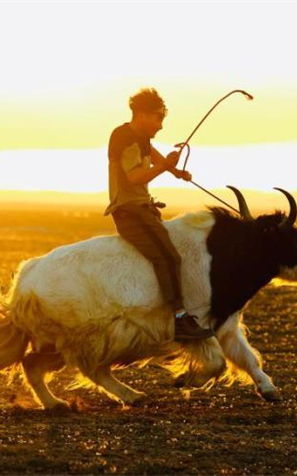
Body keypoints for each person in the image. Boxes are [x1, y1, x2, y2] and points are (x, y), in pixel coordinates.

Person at [104, 87, 215, 341]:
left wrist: (175, 171)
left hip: (143, 209)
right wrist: (165, 167)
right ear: (141, 115)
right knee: (170, 258)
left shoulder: (139, 137)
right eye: (158, 118)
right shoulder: (124, 138)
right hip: (130, 212)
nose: (161, 126)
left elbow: (151, 153)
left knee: (170, 255)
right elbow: (134, 177)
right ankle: (178, 320)